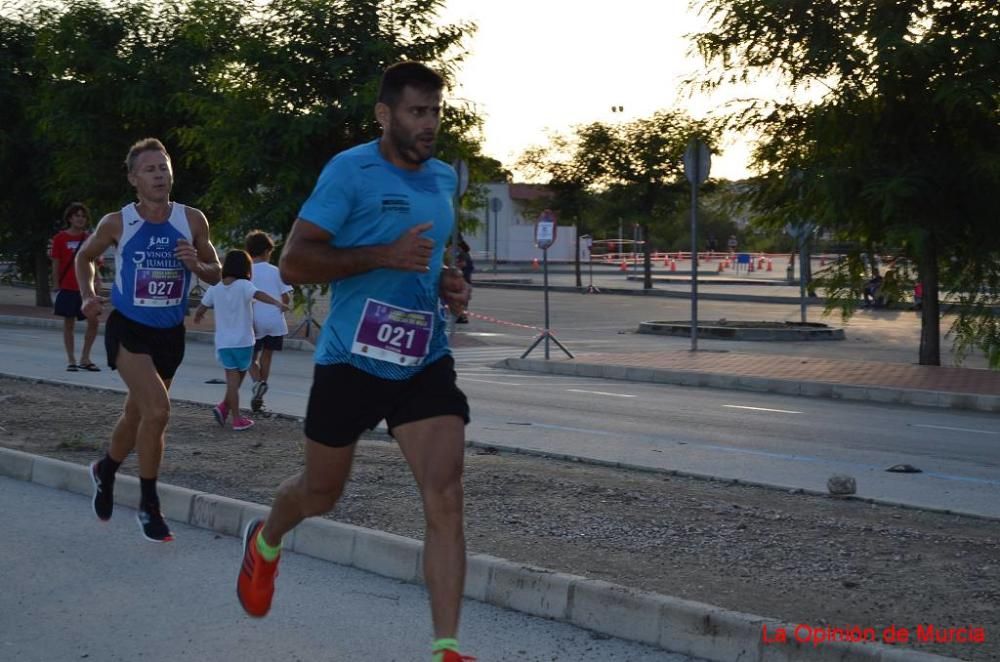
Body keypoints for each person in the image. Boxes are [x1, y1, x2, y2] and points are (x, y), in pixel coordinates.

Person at [235, 62, 474, 662]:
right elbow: (294, 262)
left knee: (445, 496)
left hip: (424, 357)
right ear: (385, 114)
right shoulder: (349, 171)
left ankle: (446, 647)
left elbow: (433, 256)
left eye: (436, 112)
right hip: (351, 359)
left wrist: (450, 284)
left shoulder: (444, 177)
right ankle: (265, 541)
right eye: (418, 112)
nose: (430, 125)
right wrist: (383, 256)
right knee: (320, 492)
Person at [76, 137, 221, 542]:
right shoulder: (118, 222)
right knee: (158, 411)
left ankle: (105, 469)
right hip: (129, 327)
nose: (160, 174)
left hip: (169, 334)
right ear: (133, 179)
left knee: (138, 415)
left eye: (164, 166)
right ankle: (148, 504)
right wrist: (89, 295)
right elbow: (85, 257)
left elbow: (216, 271)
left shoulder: (192, 220)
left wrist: (199, 263)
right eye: (150, 169)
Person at [193, 249, 289, 431]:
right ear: (246, 268)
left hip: (223, 343)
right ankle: (236, 419)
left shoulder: (215, 287)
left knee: (232, 381)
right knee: (235, 382)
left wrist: (198, 315)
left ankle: (223, 408)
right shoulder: (244, 285)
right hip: (244, 342)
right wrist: (277, 303)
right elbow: (259, 294)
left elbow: (203, 306)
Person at [244, 230, 294, 412]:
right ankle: (261, 393)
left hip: (253, 320)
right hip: (274, 320)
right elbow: (285, 298)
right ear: (267, 251)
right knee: (267, 355)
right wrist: (280, 307)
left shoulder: (246, 272)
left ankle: (258, 383)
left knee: (249, 357)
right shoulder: (276, 271)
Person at [51, 202, 102, 372]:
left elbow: (95, 261)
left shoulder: (90, 238)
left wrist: (98, 279)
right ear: (70, 218)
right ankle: (71, 359)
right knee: (69, 324)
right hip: (68, 287)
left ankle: (85, 358)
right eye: (77, 215)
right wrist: (56, 284)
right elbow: (56, 263)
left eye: (83, 216)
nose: (80, 219)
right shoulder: (60, 238)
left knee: (94, 322)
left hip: (87, 289)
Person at [454, 237, 473, 324]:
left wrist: (455, 266)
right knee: (464, 301)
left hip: (463, 280)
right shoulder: (467, 254)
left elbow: (462, 264)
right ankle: (463, 317)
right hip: (467, 280)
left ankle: (461, 317)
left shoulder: (462, 255)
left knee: (461, 300)